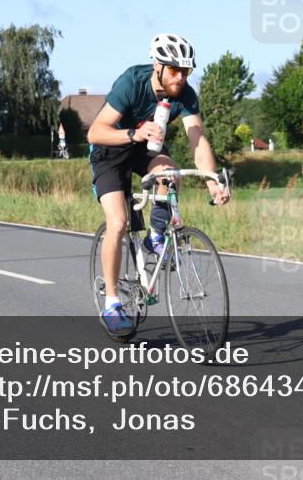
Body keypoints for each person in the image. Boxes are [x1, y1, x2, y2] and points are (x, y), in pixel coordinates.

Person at [87, 33, 231, 335]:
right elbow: (95, 132)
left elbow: (197, 138)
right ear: (158, 66)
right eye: (174, 70)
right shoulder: (132, 82)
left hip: (146, 148)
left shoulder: (186, 95)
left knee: (171, 173)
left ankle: (155, 235)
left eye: (186, 71)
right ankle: (112, 303)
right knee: (118, 222)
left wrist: (211, 181)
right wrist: (133, 134)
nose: (180, 77)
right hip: (110, 149)